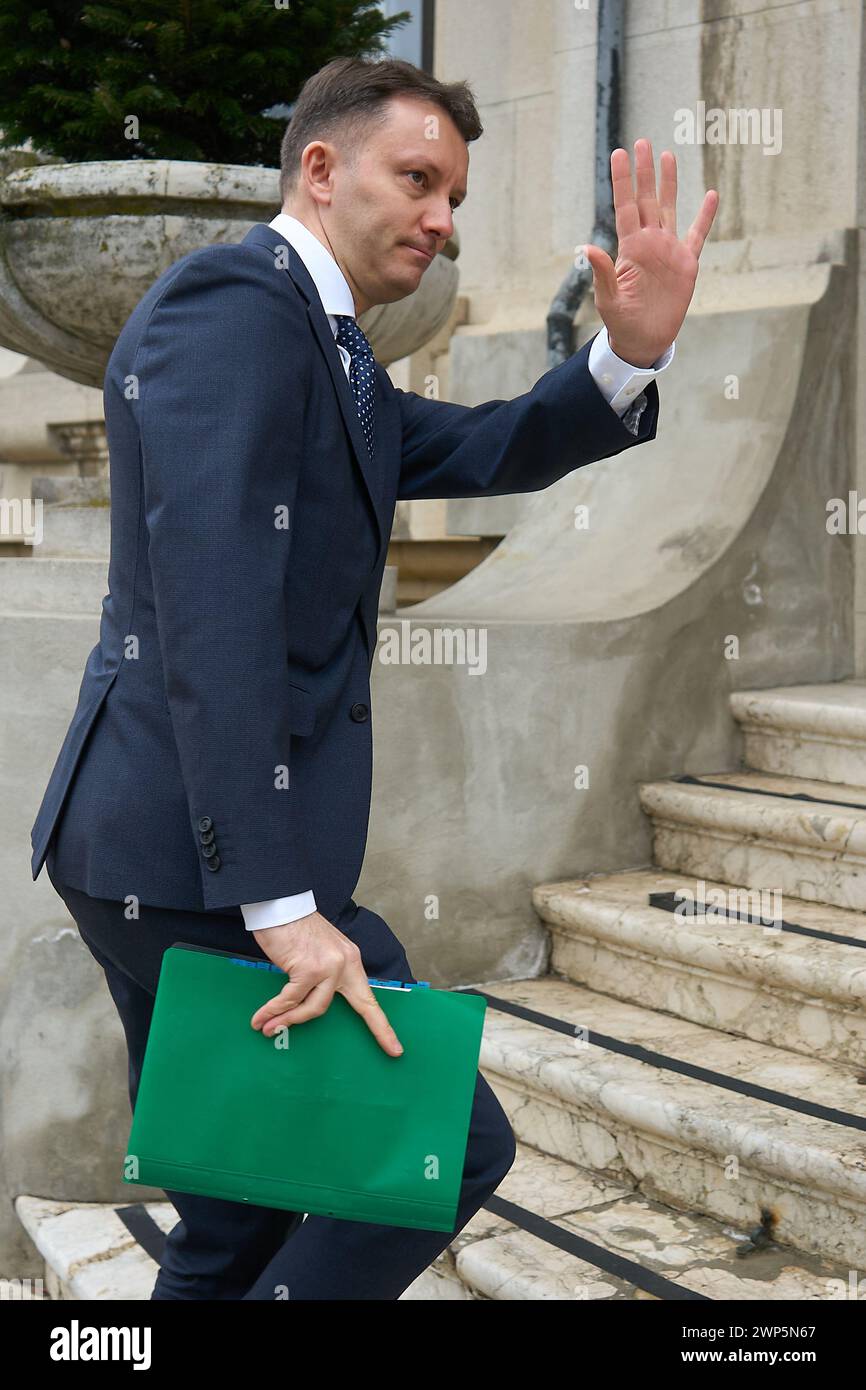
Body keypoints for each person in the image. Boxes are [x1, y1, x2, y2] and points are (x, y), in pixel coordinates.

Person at [30, 55, 717, 1299]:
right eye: (417, 180)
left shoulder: (324, 346)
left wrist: (624, 359)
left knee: (233, 1214)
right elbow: (214, 607)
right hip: (189, 860)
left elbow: (479, 441)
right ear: (321, 167)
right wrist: (280, 902)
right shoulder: (230, 308)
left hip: (154, 855)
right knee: (447, 1148)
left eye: (453, 195)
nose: (443, 222)